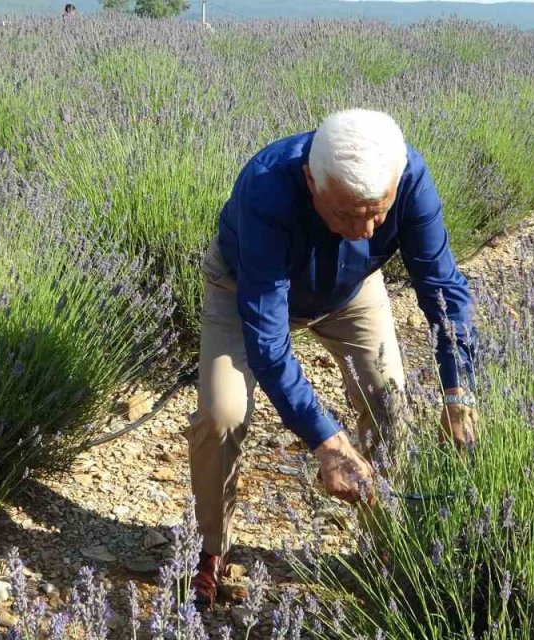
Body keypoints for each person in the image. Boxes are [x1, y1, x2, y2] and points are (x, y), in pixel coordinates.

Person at [188, 109, 478, 607]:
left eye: (378, 211)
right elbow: (269, 340)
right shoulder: (267, 187)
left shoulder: (407, 175)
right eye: (346, 214)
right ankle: (209, 550)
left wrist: (458, 394)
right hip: (246, 290)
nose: (365, 230)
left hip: (350, 290)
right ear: (311, 180)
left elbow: (443, 291)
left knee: (388, 404)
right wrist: (327, 441)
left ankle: (384, 543)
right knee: (222, 414)